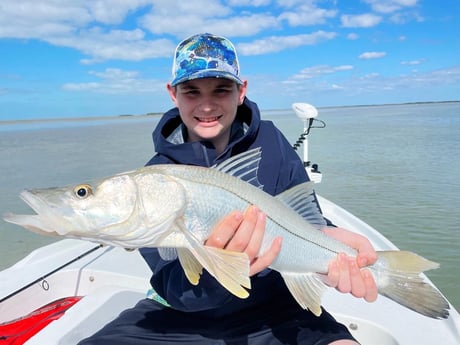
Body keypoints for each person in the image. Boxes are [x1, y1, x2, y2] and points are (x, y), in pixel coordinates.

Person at [79, 33, 377, 345]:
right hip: (181, 316)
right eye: (191, 92)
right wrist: (221, 272)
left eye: (221, 90)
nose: (206, 106)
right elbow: (174, 285)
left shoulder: (272, 142)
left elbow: (304, 218)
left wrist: (329, 249)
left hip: (275, 308)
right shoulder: (153, 182)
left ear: (241, 91)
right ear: (173, 94)